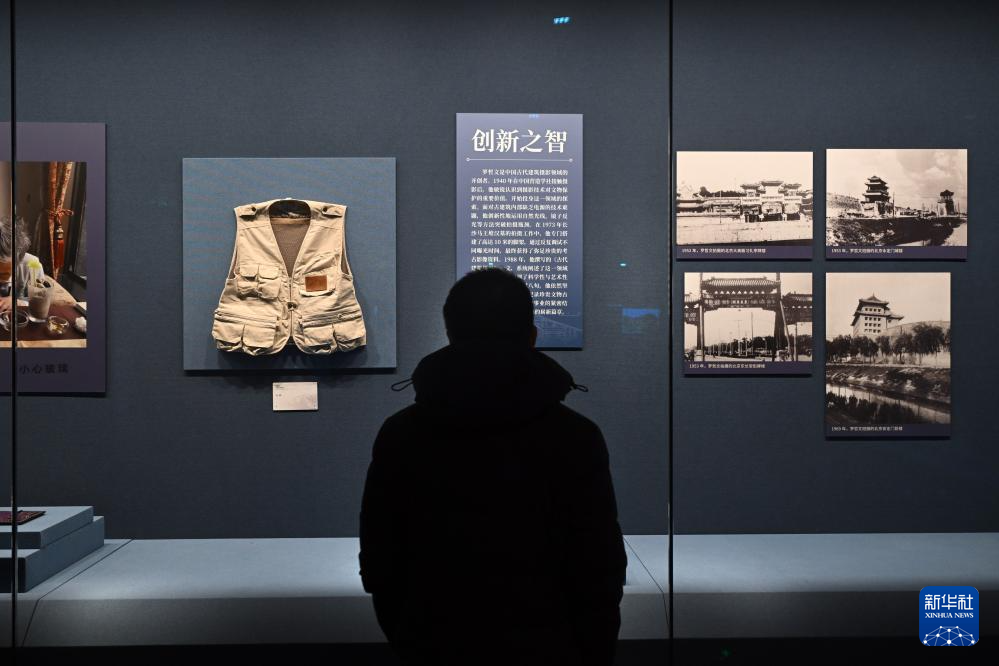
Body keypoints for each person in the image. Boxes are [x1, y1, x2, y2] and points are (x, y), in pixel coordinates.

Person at [359, 267, 626, 666]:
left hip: (433, 641)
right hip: (550, 646)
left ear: (449, 333)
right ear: (532, 335)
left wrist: (410, 638)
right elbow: (598, 564)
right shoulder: (575, 436)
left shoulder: (401, 434)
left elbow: (383, 558)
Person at [0, 214, 45, 314]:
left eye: (3, 274)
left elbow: (40, 301)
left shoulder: (32, 265)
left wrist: (17, 302)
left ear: (18, 261)